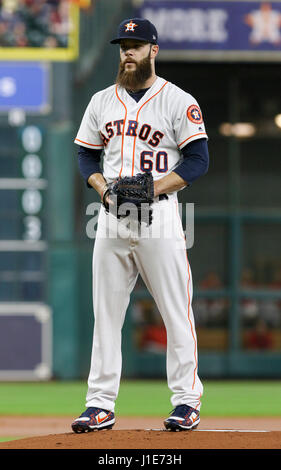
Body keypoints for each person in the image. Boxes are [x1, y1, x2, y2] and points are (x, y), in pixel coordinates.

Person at [71, 18, 209, 433]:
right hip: (111, 218)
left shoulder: (177, 100)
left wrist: (152, 188)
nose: (127, 52)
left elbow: (199, 160)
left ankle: (186, 402)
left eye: (136, 44)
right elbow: (85, 157)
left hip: (161, 217)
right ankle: (99, 405)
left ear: (154, 50)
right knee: (106, 314)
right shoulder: (100, 101)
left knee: (175, 311)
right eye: (122, 45)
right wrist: (102, 189)